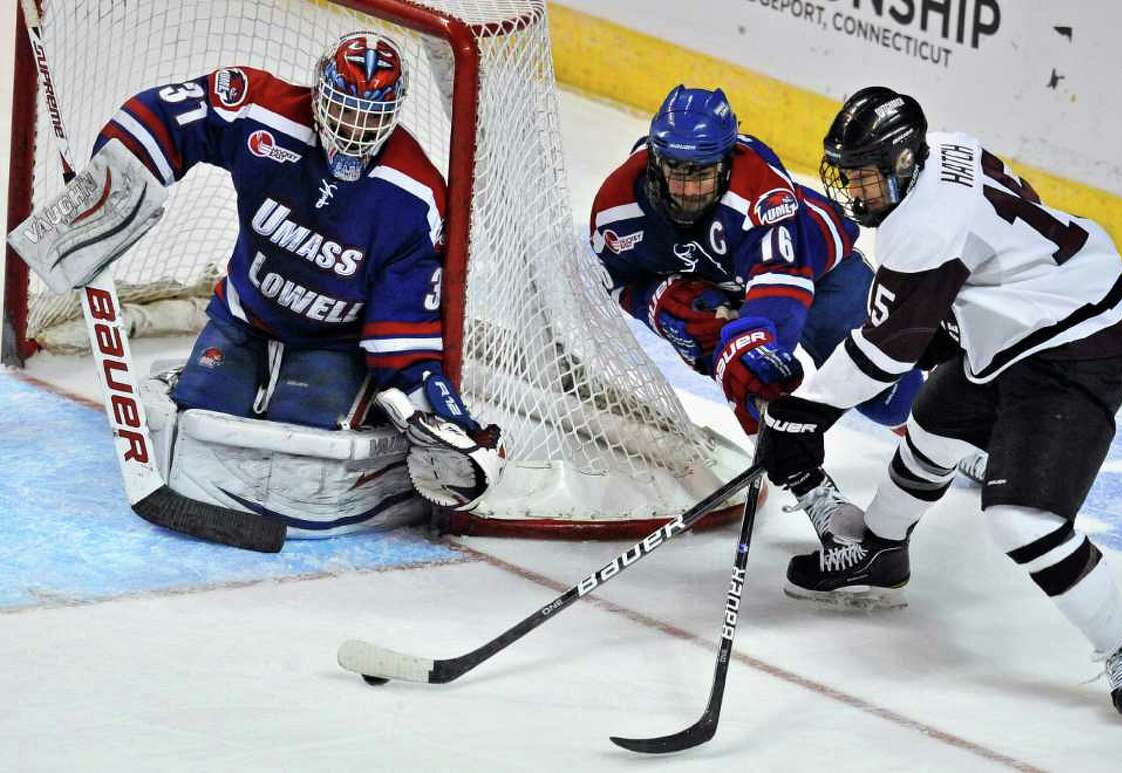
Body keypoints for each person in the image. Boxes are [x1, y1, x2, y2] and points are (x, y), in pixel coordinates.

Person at [758, 86, 1122, 727]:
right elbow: (990, 242)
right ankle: (881, 551)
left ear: (903, 163)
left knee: (1022, 519)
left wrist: (801, 414)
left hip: (1079, 343)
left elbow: (884, 354)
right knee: (931, 430)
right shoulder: (947, 151)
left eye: (866, 179)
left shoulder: (923, 225)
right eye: (848, 178)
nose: (855, 194)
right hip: (1021, 321)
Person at [83, 31, 503, 532]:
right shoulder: (267, 112)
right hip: (246, 316)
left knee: (300, 444)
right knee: (202, 419)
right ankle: (200, 379)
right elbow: (168, 116)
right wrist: (112, 175)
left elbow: (402, 328)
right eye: (345, 108)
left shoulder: (414, 197)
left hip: (335, 343)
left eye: (370, 114)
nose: (354, 127)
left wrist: (433, 409)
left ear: (394, 114)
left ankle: (366, 414)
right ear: (319, 92)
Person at [590, 85, 924, 546]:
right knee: (733, 360)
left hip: (818, 271)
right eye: (675, 171)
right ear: (656, 161)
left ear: (725, 163)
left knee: (885, 394)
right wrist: (660, 304)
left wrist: (760, 348)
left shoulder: (760, 188)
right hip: (718, 288)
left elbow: (779, 290)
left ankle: (943, 441)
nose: (687, 189)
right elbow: (619, 280)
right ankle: (813, 492)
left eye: (701, 174)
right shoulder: (617, 207)